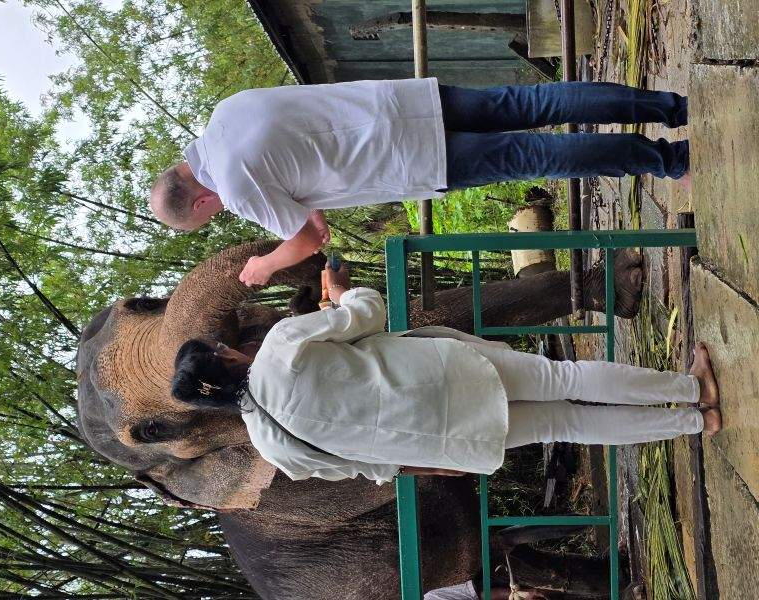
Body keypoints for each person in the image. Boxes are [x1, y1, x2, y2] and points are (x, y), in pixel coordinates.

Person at [170, 264, 719, 485]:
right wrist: (338, 293)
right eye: (222, 346)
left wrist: (436, 462)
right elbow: (368, 314)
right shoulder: (277, 349)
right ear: (224, 358)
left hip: (449, 437)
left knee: (565, 424)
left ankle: (696, 425)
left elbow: (367, 468)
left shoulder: (272, 449)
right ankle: (691, 388)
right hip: (446, 374)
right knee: (565, 379)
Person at [149, 79, 691, 286]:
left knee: (540, 154)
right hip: (404, 102)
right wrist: (307, 216)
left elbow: (309, 240)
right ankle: (671, 107)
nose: (217, 214)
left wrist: (266, 264)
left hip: (410, 156)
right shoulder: (225, 115)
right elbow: (302, 162)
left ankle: (668, 160)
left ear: (200, 200)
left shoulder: (238, 185)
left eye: (208, 215)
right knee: (530, 101)